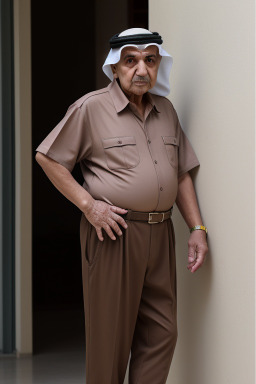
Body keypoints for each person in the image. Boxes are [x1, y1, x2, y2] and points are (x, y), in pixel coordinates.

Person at [35, 28, 208, 384]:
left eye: (150, 60)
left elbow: (180, 174)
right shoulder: (91, 108)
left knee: (161, 333)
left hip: (161, 235)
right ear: (115, 67)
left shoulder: (167, 110)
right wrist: (88, 205)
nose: (140, 69)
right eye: (130, 61)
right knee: (110, 341)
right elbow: (48, 158)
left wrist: (197, 228)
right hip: (115, 234)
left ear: (159, 65)